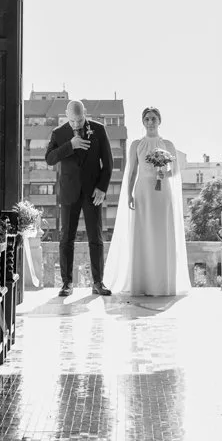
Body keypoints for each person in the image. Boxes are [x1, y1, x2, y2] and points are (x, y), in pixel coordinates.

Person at [103, 106, 189, 298]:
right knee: (143, 234)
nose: (150, 122)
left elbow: (174, 172)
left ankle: (162, 284)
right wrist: (128, 195)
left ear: (160, 121)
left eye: (153, 118)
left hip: (162, 193)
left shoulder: (168, 144)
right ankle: (143, 283)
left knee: (161, 233)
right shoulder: (136, 145)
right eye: (147, 119)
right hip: (142, 193)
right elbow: (132, 172)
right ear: (143, 122)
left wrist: (163, 172)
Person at [45, 99, 114, 297]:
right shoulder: (59, 134)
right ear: (67, 116)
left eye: (80, 120)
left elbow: (108, 163)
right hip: (69, 192)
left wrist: (102, 188)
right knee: (66, 238)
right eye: (73, 121)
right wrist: (70, 145)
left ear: (85, 113)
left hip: (93, 193)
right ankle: (67, 284)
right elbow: (49, 159)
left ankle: (98, 282)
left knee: (96, 237)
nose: (76, 124)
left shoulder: (99, 130)